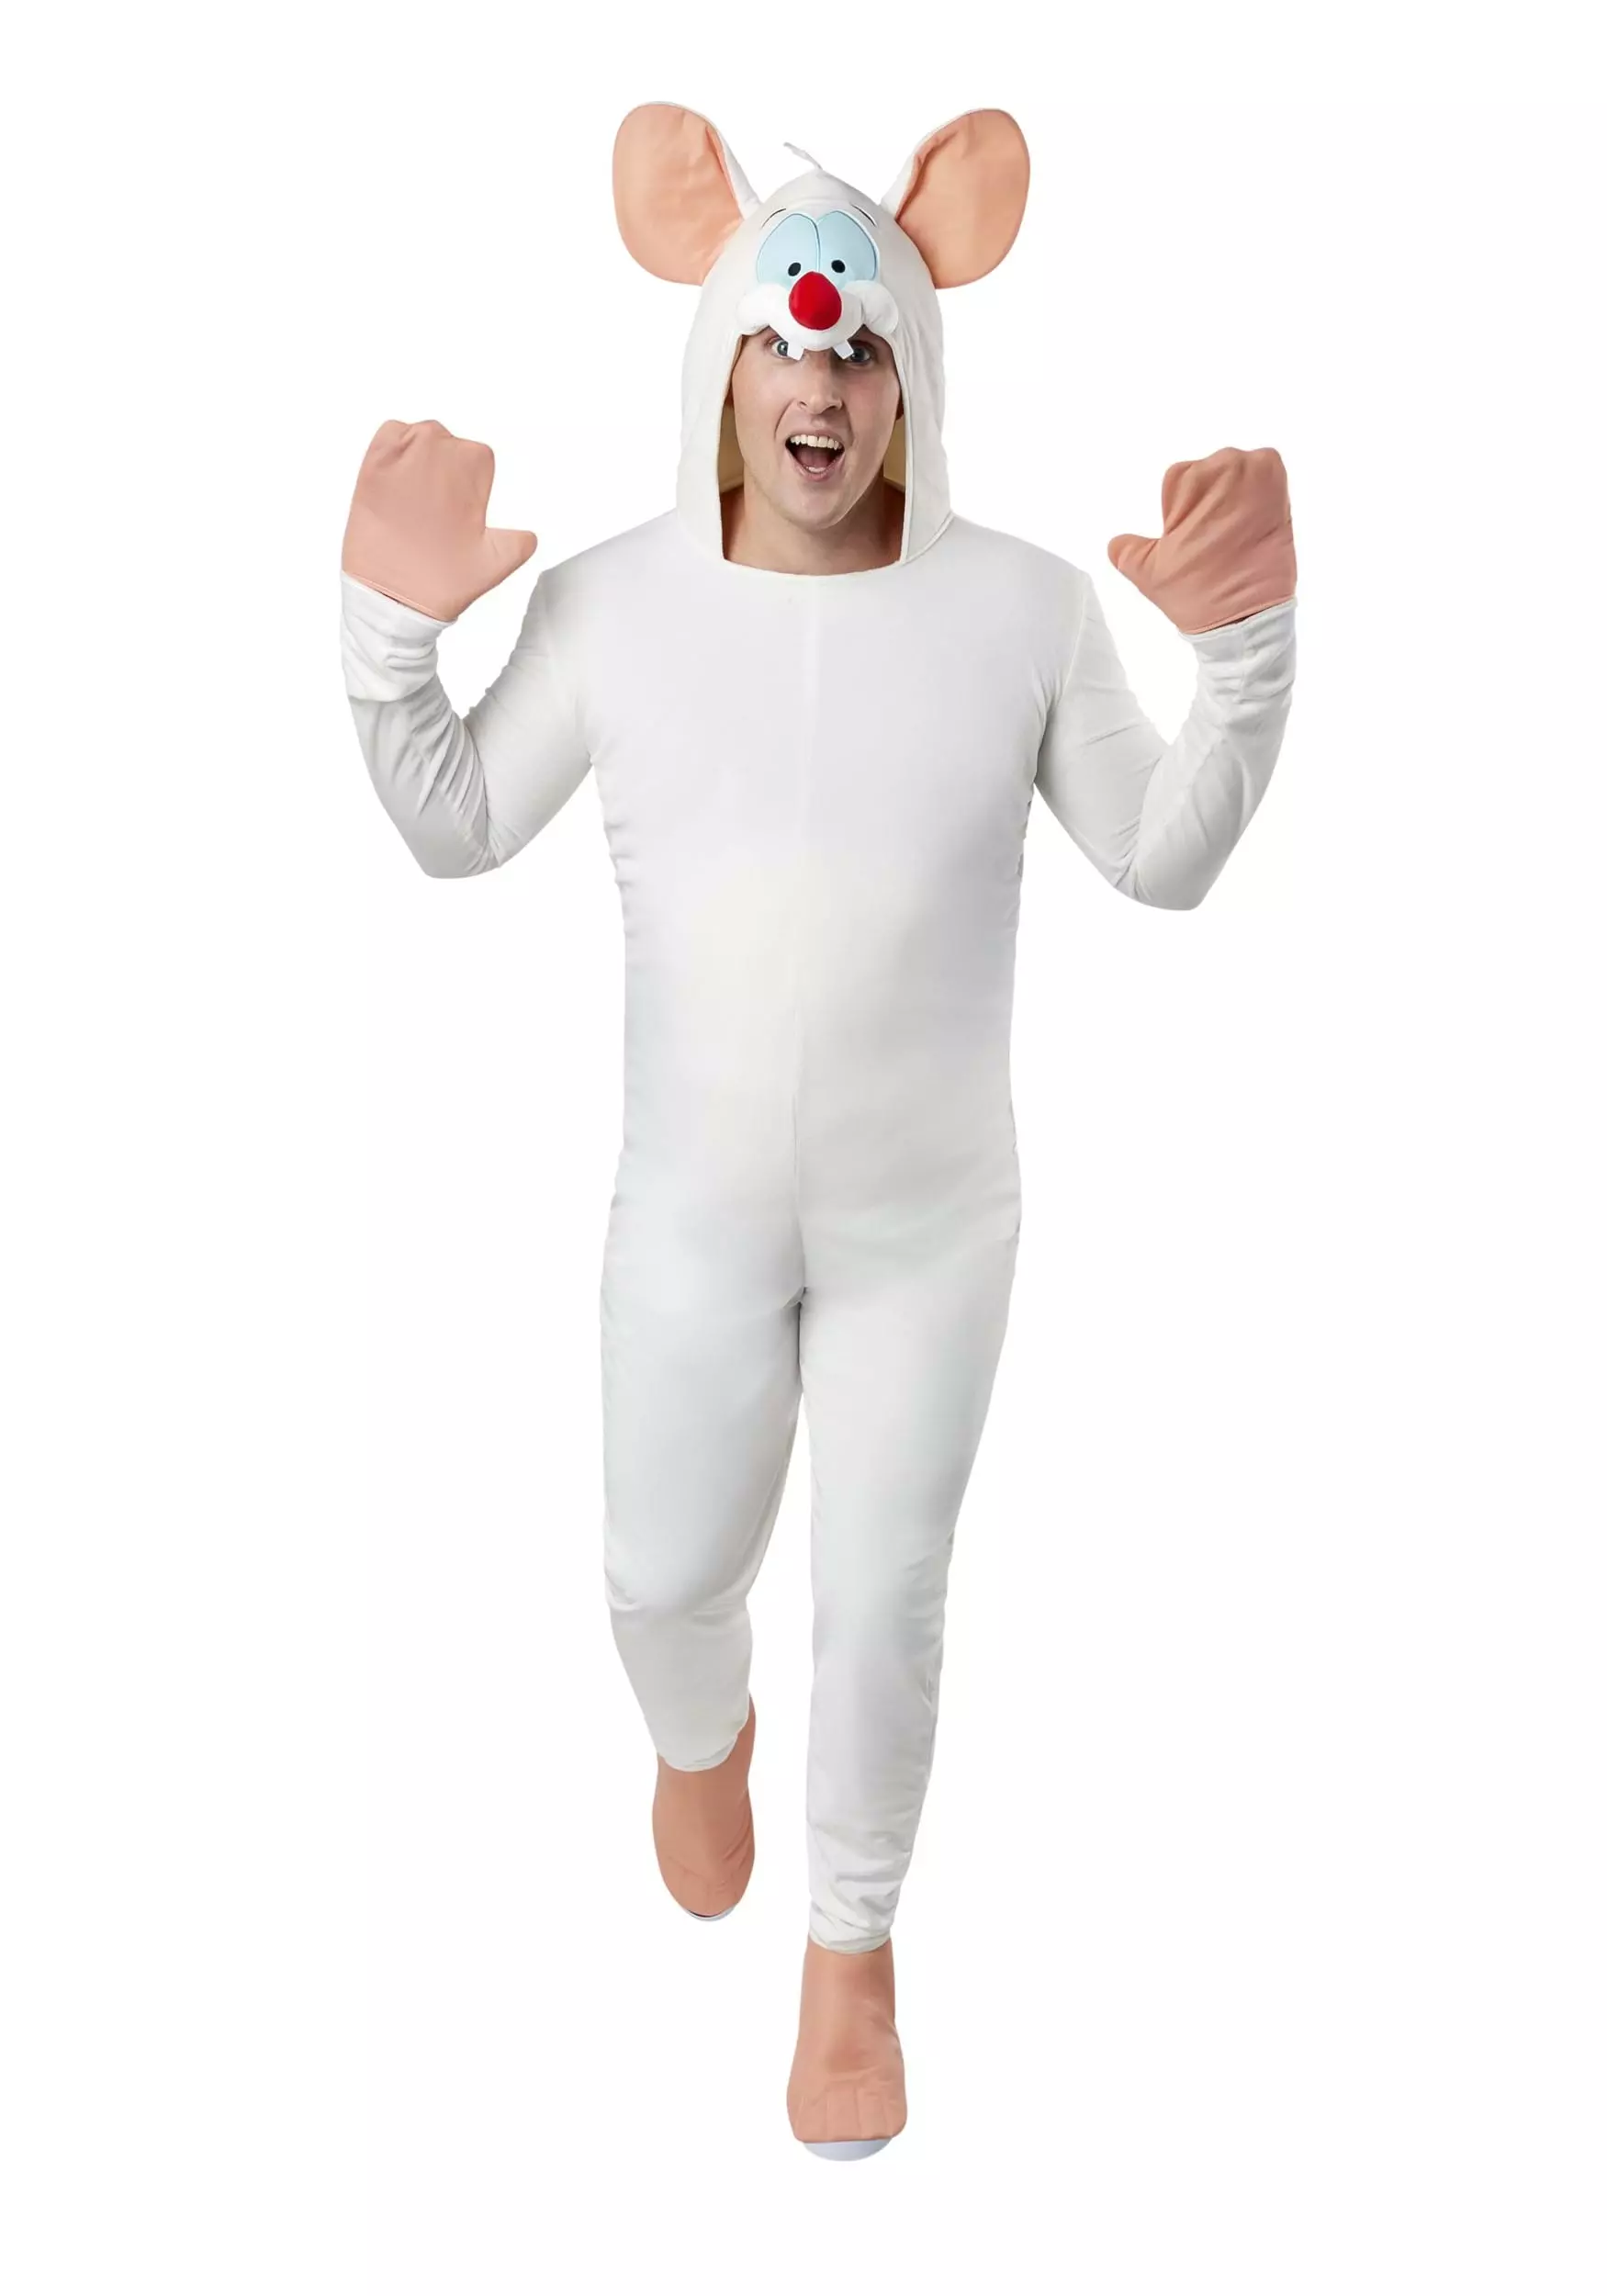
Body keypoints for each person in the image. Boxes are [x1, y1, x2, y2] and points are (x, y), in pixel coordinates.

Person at [338, 102, 1298, 2161]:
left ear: (911, 377)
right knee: (655, 1571)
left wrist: (1245, 662)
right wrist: (386, 634)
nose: (822, 385)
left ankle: (849, 1947)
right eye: (786, 343)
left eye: (860, 349)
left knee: (883, 1597)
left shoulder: (1022, 610)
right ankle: (699, 1733)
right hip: (685, 1219)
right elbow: (453, 822)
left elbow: (1160, 858)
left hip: (927, 1229)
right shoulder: (611, 605)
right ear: (717, 363)